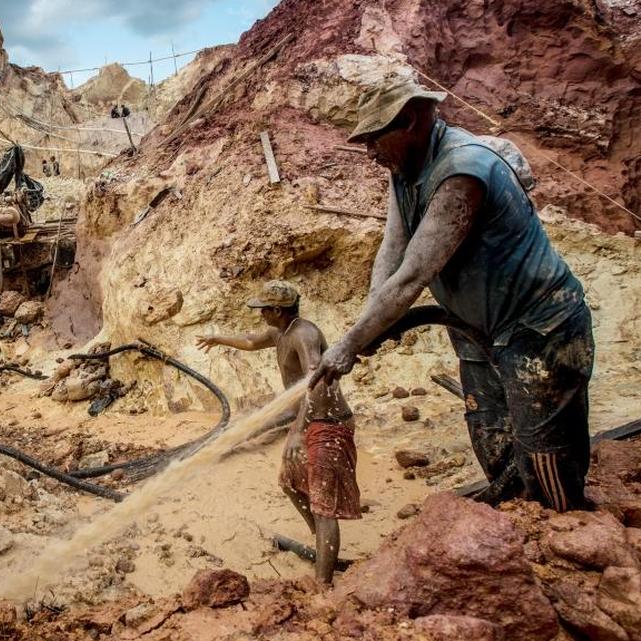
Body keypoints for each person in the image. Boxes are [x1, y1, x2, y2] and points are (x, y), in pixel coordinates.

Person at [310, 79, 594, 512]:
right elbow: (393, 250)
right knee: (490, 430)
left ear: (408, 121)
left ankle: (563, 530)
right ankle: (515, 525)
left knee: (544, 450)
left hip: (538, 327)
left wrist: (350, 343)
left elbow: (412, 277)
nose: (369, 152)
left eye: (373, 138)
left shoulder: (462, 172)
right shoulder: (405, 170)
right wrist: (368, 325)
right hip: (475, 328)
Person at [196, 281, 358, 584]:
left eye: (262, 310)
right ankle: (323, 543)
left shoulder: (304, 334)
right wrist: (218, 338)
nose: (259, 315)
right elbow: (251, 341)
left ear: (277, 310)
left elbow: (317, 384)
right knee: (291, 484)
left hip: (329, 423)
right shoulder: (280, 331)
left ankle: (323, 585)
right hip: (309, 421)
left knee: (323, 506)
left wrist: (297, 431)